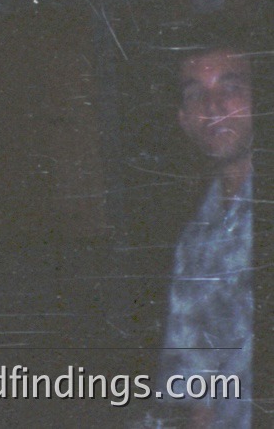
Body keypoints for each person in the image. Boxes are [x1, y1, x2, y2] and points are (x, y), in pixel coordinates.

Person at [154, 45, 253, 429]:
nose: (212, 107)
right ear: (182, 119)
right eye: (196, 93)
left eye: (231, 87)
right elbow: (196, 388)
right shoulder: (194, 241)